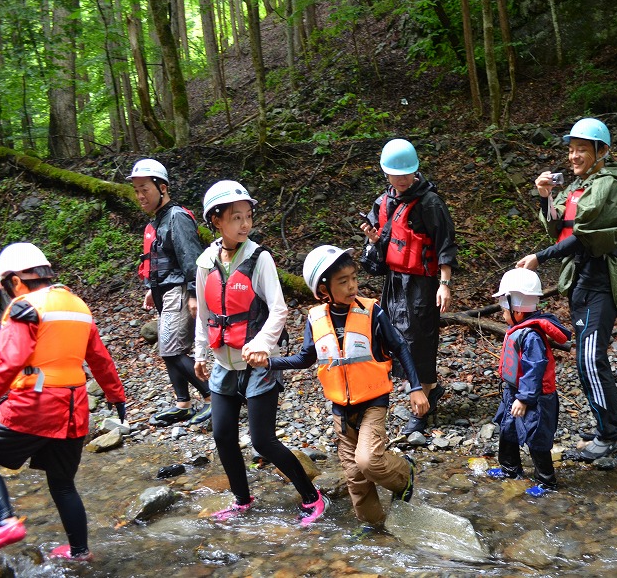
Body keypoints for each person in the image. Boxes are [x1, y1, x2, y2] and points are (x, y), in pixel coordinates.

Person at [0, 243, 126, 561]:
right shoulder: (78, 306)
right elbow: (99, 358)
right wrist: (115, 394)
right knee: (62, 483)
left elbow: (9, 364)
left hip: (34, 406)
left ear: (16, 281)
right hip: (75, 408)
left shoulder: (24, 308)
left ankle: (5, 522)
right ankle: (80, 551)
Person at [193, 181, 327, 525]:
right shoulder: (205, 262)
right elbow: (205, 315)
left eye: (248, 216)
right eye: (236, 217)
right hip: (224, 365)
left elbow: (279, 310)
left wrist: (262, 345)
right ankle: (241, 499)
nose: (245, 224)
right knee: (222, 434)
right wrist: (200, 353)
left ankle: (313, 498)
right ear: (216, 220)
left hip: (258, 366)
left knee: (263, 442)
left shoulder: (259, 257)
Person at [268, 245, 429, 527]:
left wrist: (415, 387)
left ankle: (404, 473)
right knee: (355, 474)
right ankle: (373, 526)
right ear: (323, 289)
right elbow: (306, 358)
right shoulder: (315, 318)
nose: (352, 285)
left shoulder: (372, 311)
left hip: (373, 402)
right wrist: (270, 363)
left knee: (369, 461)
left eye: (354, 278)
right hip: (340, 409)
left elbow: (400, 346)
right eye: (343, 281)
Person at [517, 117, 617, 462]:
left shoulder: (608, 184)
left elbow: (582, 235)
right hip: (581, 280)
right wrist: (545, 196)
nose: (573, 156)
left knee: (589, 359)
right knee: (586, 358)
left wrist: (539, 258)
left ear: (602, 151)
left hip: (603, 280)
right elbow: (558, 225)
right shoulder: (580, 184)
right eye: (570, 150)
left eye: (581, 149)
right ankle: (606, 423)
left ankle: (611, 435)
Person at [360, 139, 458, 435]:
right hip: (394, 281)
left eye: (406, 174)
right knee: (393, 336)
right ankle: (429, 389)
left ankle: (423, 398)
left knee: (419, 338)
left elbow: (445, 244)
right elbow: (381, 246)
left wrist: (445, 284)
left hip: (422, 282)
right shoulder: (383, 202)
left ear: (415, 171)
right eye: (395, 174)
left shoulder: (430, 203)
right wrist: (374, 241)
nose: (401, 180)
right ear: (385, 174)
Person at [128, 158, 212, 426]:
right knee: (168, 348)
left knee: (172, 350)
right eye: (136, 190)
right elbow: (159, 259)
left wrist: (194, 294)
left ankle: (213, 398)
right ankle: (183, 404)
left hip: (179, 290)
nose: (140, 196)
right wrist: (151, 289)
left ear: (161, 187)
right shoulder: (158, 221)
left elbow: (192, 258)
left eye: (145, 189)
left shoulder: (176, 217)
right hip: (164, 291)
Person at [486, 268, 571, 497]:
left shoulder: (531, 336)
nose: (502, 314)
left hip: (535, 396)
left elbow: (535, 369)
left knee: (537, 437)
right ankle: (509, 467)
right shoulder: (521, 329)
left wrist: (524, 399)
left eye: (504, 309)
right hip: (515, 390)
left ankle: (547, 481)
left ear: (517, 309)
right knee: (508, 427)